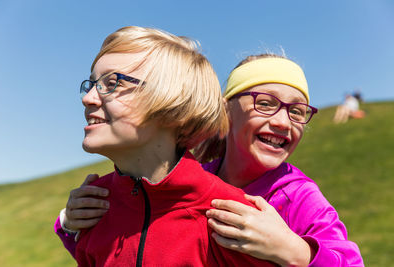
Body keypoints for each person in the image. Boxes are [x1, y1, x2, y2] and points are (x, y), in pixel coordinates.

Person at [55, 53, 364, 266]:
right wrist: (71, 225)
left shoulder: (299, 198)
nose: (284, 121)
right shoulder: (188, 181)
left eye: (297, 111)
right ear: (226, 110)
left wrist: (295, 251)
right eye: (266, 104)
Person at [61, 25, 276, 266]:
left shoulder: (234, 218)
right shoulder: (92, 208)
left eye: (113, 83)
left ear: (173, 101)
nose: (88, 98)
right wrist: (68, 226)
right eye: (90, 85)